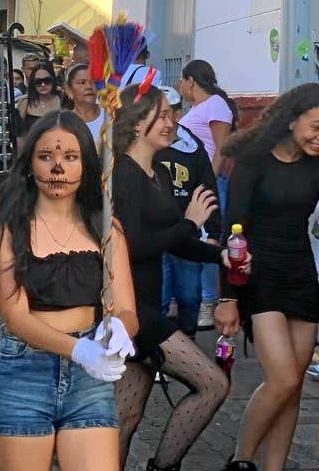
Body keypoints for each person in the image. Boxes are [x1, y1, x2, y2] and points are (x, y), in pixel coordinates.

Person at [0, 110, 138, 471]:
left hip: (90, 380)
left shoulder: (106, 227)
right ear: (30, 164)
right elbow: (16, 317)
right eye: (46, 157)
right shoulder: (8, 229)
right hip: (25, 371)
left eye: (70, 157)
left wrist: (118, 332)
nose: (57, 169)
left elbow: (126, 309)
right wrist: (80, 350)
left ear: (85, 163)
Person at [112, 84, 235, 471]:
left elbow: (174, 242)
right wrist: (188, 224)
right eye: (163, 115)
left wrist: (220, 256)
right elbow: (131, 247)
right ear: (135, 124)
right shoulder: (124, 175)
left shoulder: (159, 172)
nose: (173, 122)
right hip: (132, 311)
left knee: (127, 417)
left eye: (172, 114)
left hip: (148, 304)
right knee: (213, 384)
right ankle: (162, 467)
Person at [216, 83, 319, 471]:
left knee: (292, 390)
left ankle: (275, 467)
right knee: (282, 379)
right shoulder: (254, 160)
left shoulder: (316, 163)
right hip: (258, 277)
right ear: (292, 120)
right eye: (316, 127)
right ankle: (241, 461)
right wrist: (227, 297)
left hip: (301, 275)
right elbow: (232, 229)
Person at [154, 86, 222, 337]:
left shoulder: (193, 148)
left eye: (169, 112)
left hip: (187, 234)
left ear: (179, 113)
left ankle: (188, 345)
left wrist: (213, 231)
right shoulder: (143, 146)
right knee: (157, 299)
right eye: (157, 113)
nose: (165, 120)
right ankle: (157, 358)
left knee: (189, 296)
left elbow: (207, 189)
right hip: (155, 236)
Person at [175, 59, 238, 329]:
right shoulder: (199, 107)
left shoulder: (216, 105)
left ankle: (210, 300)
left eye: (182, 81)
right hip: (195, 183)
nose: (180, 87)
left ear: (191, 81)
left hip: (211, 182)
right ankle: (199, 297)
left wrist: (207, 182)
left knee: (213, 238)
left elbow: (221, 149)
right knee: (198, 237)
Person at [62, 64, 105, 148]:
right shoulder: (64, 122)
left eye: (93, 82)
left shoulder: (110, 114)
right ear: (68, 90)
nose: (89, 86)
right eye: (82, 82)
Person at [17, 63, 62, 136]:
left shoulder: (62, 98)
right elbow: (19, 134)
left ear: (53, 80)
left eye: (47, 80)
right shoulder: (25, 102)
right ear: (33, 82)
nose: (43, 84)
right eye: (38, 81)